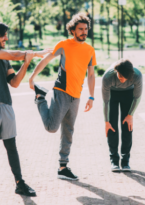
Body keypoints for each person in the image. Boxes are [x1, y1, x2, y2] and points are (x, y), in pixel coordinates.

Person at [0, 21, 51, 205]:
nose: (6, 38)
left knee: (11, 146)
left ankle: (19, 183)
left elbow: (13, 82)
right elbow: (15, 54)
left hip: (6, 105)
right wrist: (35, 53)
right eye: (3, 35)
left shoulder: (4, 57)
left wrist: (27, 63)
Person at [28, 13, 96, 181]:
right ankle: (40, 98)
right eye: (80, 29)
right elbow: (46, 59)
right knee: (52, 127)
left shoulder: (90, 50)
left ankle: (63, 166)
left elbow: (91, 75)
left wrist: (92, 96)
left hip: (77, 95)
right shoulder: (64, 45)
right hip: (62, 91)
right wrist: (32, 77)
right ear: (72, 30)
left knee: (69, 131)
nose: (84, 32)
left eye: (86, 29)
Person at [102, 60, 142, 172]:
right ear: (116, 71)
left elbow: (137, 97)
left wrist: (130, 115)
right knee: (112, 126)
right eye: (120, 76)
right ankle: (114, 161)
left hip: (128, 94)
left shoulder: (137, 75)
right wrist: (106, 121)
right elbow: (105, 101)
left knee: (127, 127)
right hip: (112, 95)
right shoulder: (108, 77)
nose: (122, 79)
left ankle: (125, 161)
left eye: (125, 77)